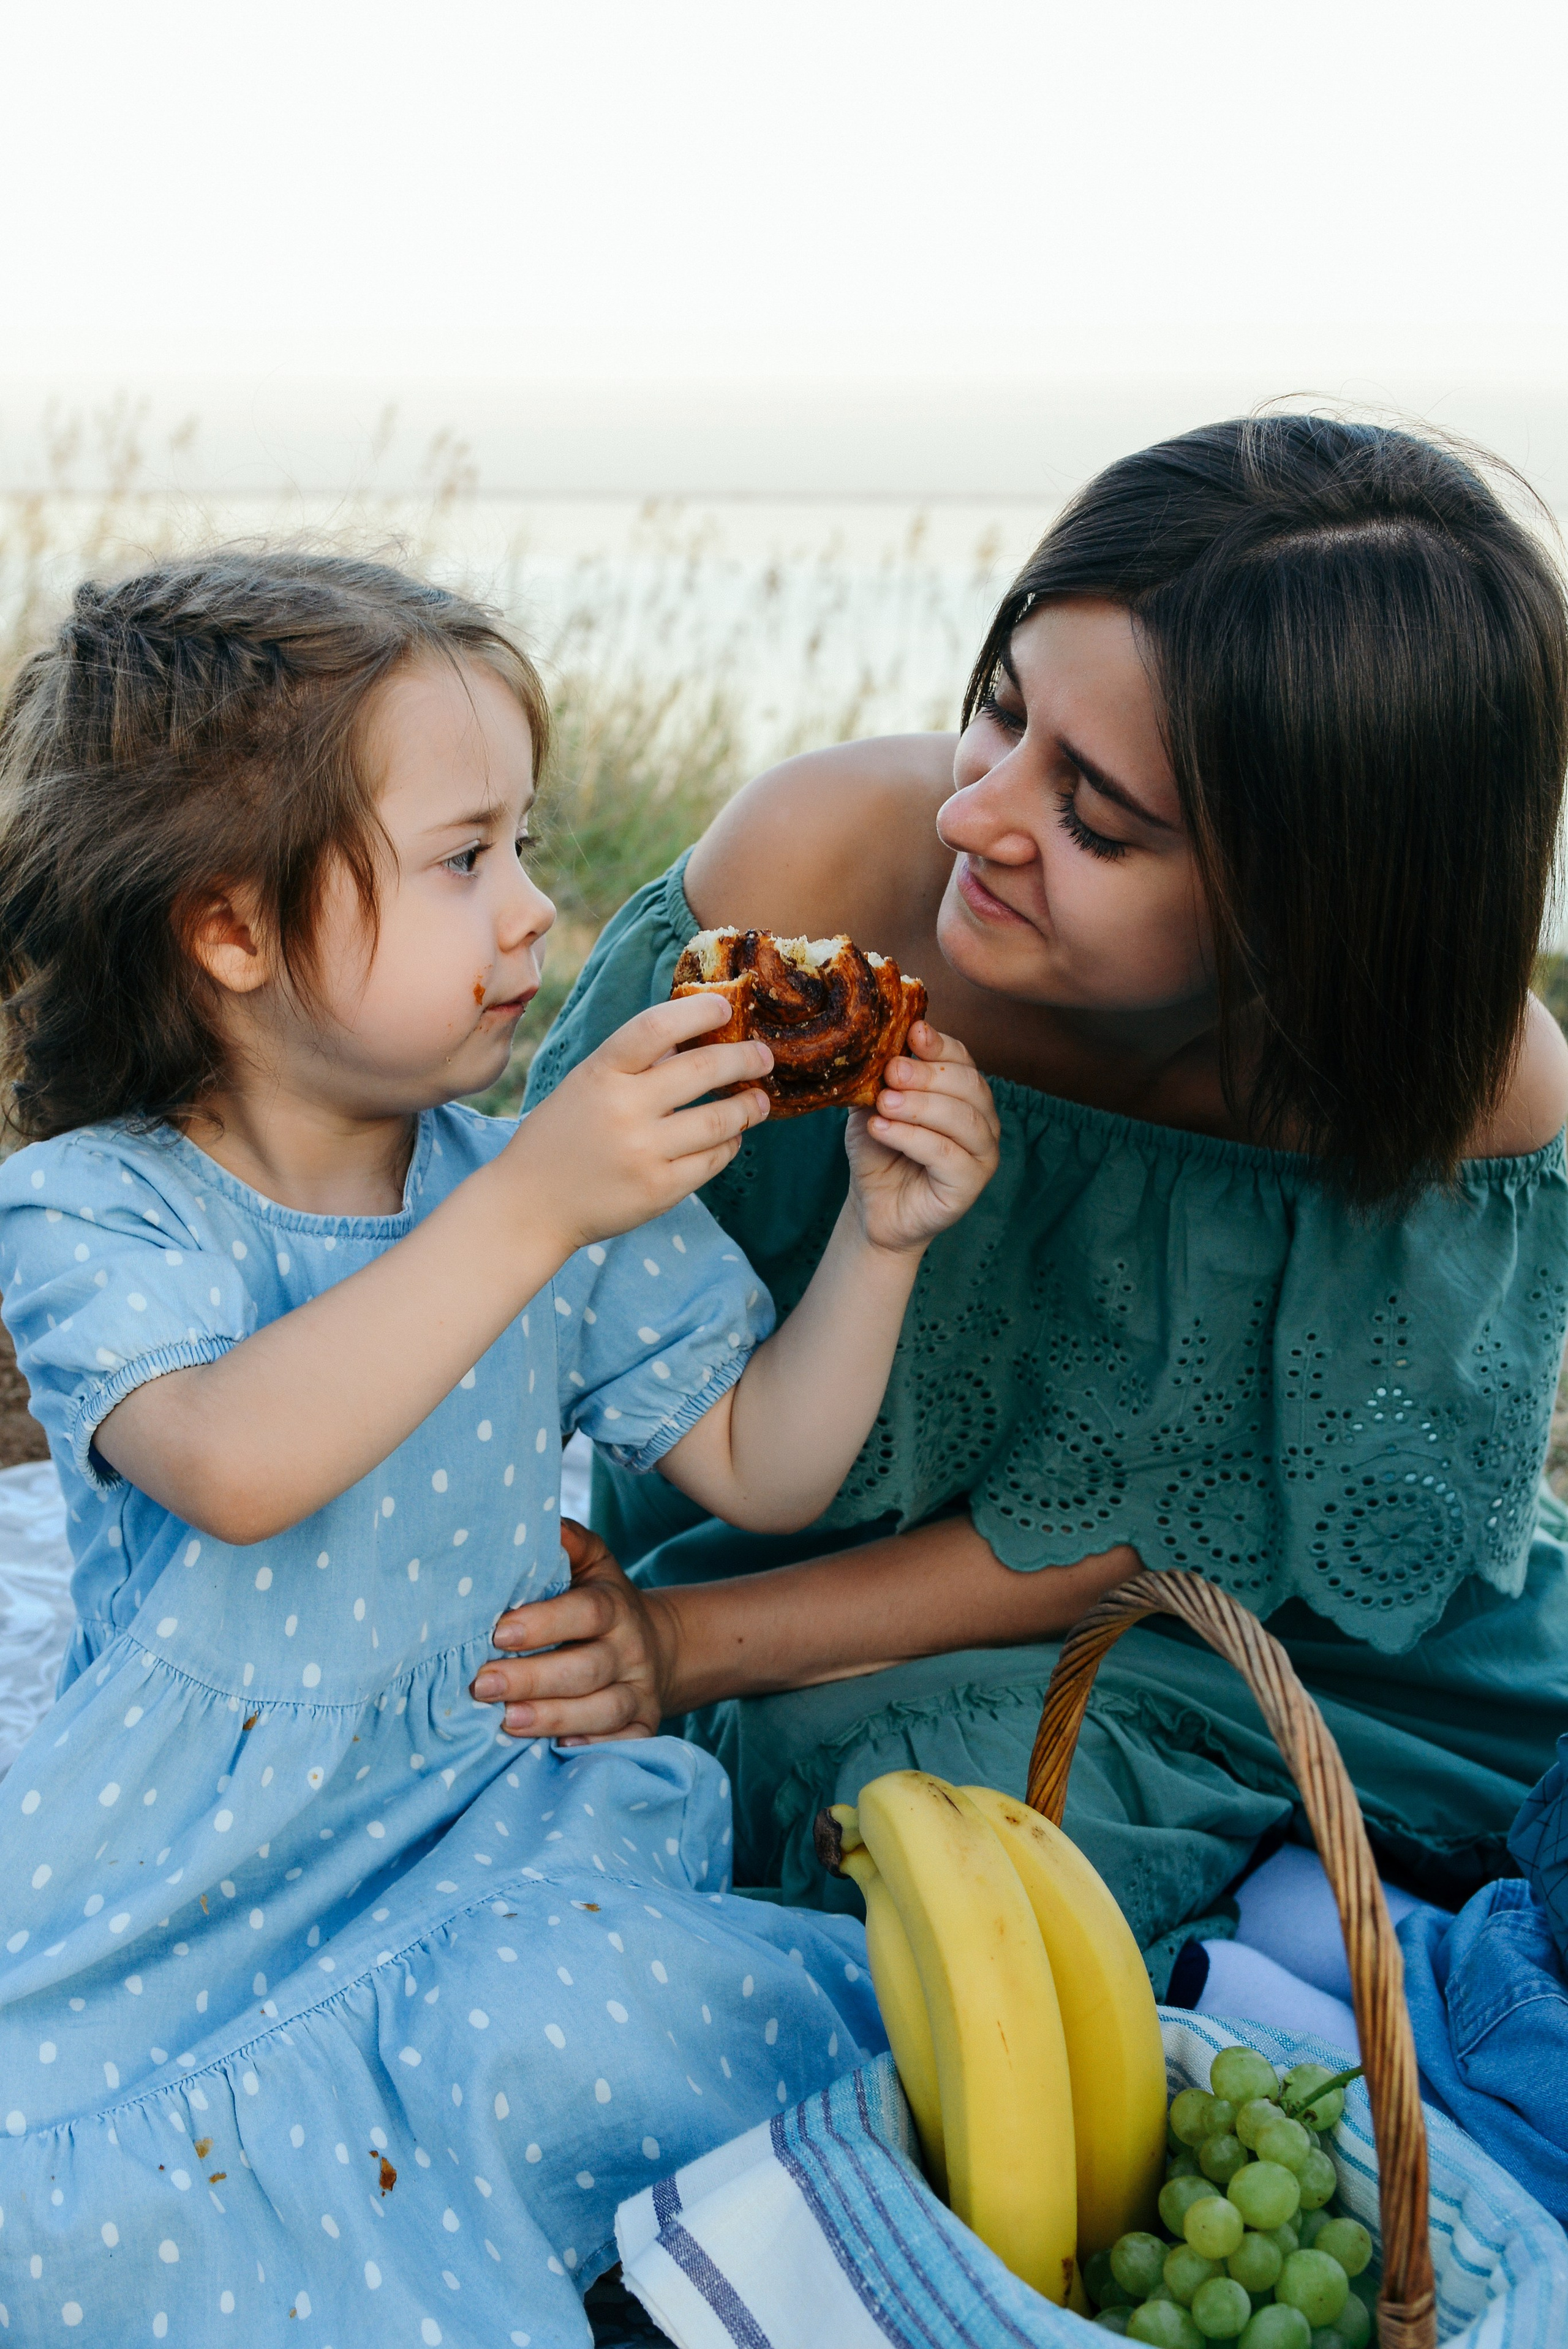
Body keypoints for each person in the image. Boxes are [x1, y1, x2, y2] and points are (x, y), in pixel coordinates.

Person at [0, 550, 999, 2343]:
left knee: (578, 2030)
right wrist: (541, 1201)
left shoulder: (529, 1187)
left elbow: (768, 1465)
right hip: (172, 1853)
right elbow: (234, 1461)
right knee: (63, 2185)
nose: (537, 914)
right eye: (465, 862)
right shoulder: (97, 1209)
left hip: (472, 1806)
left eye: (527, 847)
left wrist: (885, 1238)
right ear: (229, 931)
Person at [513, 415, 1568, 1981]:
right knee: (877, 1824)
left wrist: (682, 1654)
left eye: (1095, 815)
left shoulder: (1458, 1090)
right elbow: (529, 1261)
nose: (974, 815)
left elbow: (1169, 1527)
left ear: (1314, 907)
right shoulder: (815, 882)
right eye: (998, 714)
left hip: (1274, 1641)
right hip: (779, 1562)